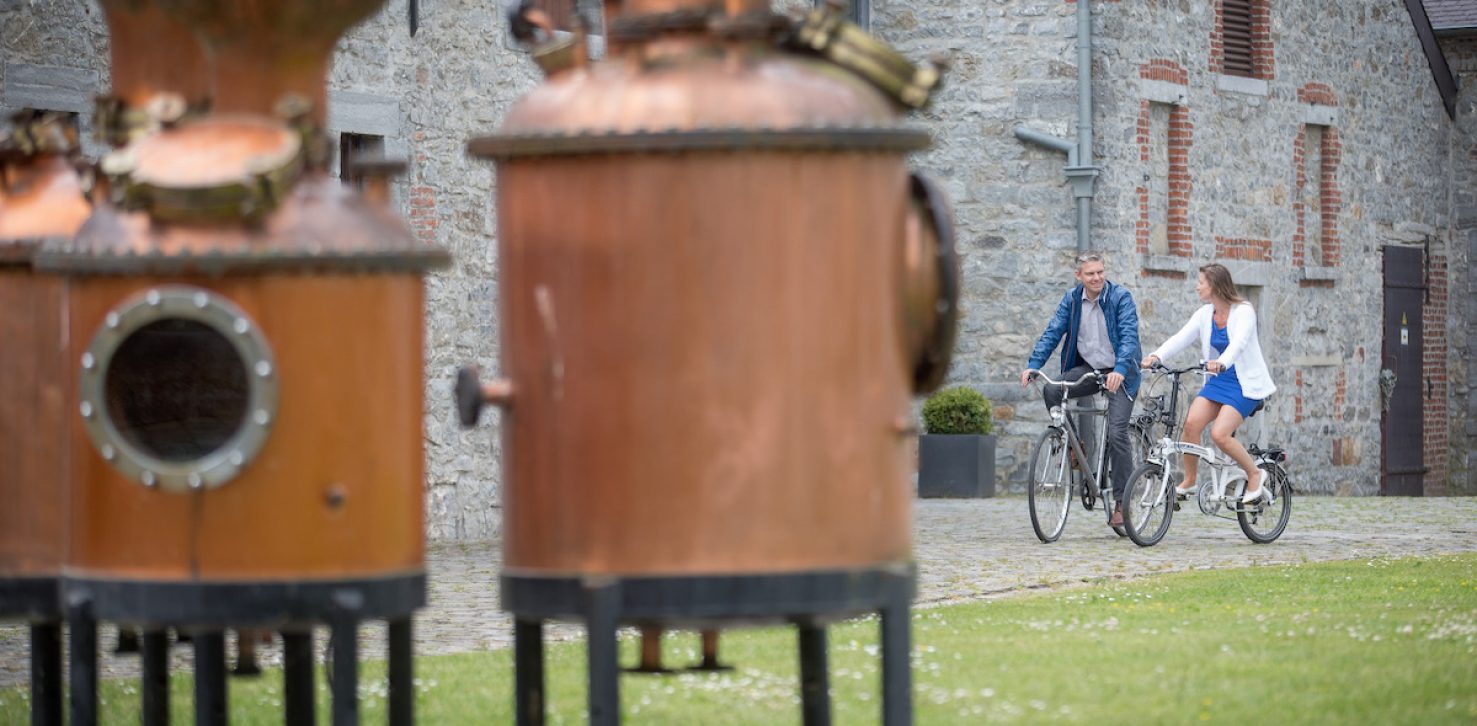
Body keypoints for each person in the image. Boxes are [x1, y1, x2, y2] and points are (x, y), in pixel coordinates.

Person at [1021, 250, 1143, 527]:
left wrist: (1121, 370)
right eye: (1091, 273)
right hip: (1089, 369)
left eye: (1100, 271)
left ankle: (1122, 503)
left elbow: (1128, 336)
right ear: (1079, 276)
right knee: (1052, 390)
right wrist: (1033, 365)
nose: (1097, 277)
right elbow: (1053, 332)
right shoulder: (1072, 300)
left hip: (1122, 373)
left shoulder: (1120, 298)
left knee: (1117, 432)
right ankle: (1075, 447)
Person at [1141, 263, 1276, 503]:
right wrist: (1156, 356)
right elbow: (1180, 338)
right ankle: (1190, 480)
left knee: (1220, 434)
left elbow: (1240, 344)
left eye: (1201, 282)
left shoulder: (1244, 311)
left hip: (1245, 384)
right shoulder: (1205, 314)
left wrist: (1221, 362)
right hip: (1220, 380)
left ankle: (1255, 473)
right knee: (1191, 425)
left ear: (1214, 285)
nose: (1197, 286)